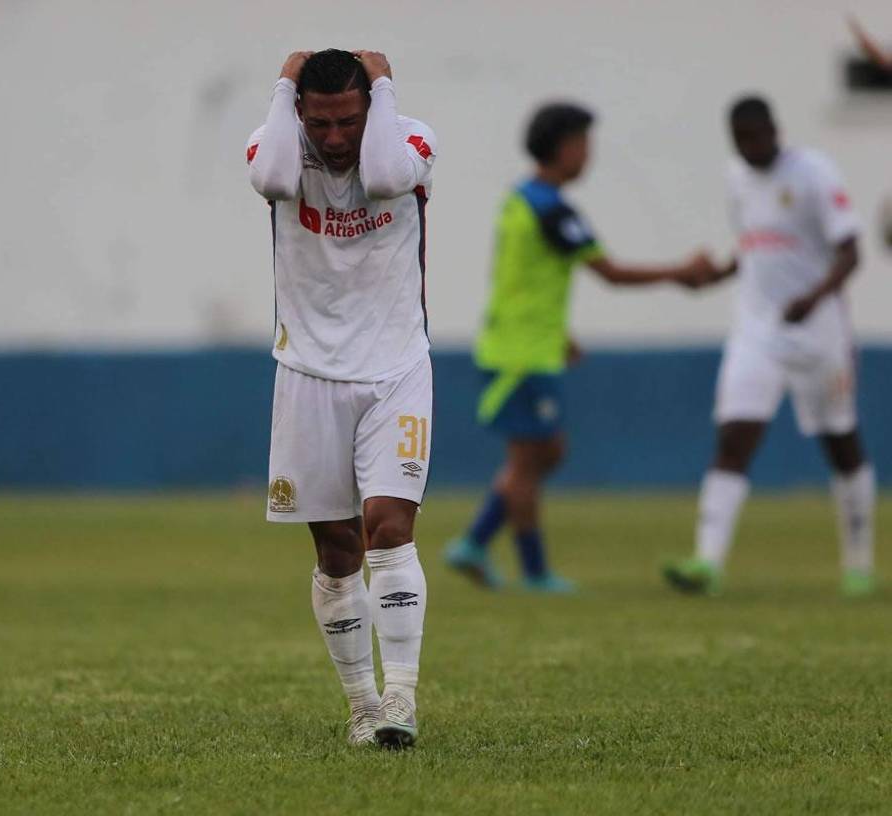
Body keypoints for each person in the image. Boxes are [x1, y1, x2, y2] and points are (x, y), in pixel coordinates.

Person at [443, 102, 714, 593]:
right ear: (563, 146)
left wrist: (558, 334)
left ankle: (475, 542)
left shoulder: (519, 199)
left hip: (522, 345)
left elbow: (520, 276)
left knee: (548, 451)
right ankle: (533, 572)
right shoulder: (551, 208)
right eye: (584, 143)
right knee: (529, 461)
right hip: (521, 355)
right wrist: (680, 273)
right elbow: (610, 273)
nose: (589, 154)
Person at [246, 48, 435, 749]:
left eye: (349, 121)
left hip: (396, 368)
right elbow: (271, 179)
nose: (334, 138)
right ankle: (361, 704)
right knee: (336, 548)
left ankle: (401, 697)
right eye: (319, 122)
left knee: (388, 525)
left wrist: (383, 84)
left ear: (372, 108)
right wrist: (283, 82)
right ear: (299, 111)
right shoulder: (276, 148)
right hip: (307, 372)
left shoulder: (411, 140)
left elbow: (384, 177)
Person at [664, 96, 876, 597]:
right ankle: (706, 563)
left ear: (775, 130)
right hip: (757, 331)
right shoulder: (736, 179)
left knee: (840, 443)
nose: (751, 147)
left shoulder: (814, 173)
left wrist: (812, 298)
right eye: (741, 140)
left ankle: (859, 564)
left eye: (758, 136)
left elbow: (851, 253)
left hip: (820, 331)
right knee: (734, 437)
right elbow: (753, 247)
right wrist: (717, 274)